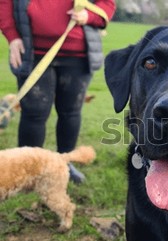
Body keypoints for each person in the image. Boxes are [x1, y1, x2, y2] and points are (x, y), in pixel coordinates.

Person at [0, 0, 115, 183]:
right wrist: (12, 37)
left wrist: (89, 16)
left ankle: (65, 164)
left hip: (77, 55)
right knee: (34, 114)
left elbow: (107, 4)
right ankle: (26, 169)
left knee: (70, 112)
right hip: (33, 53)